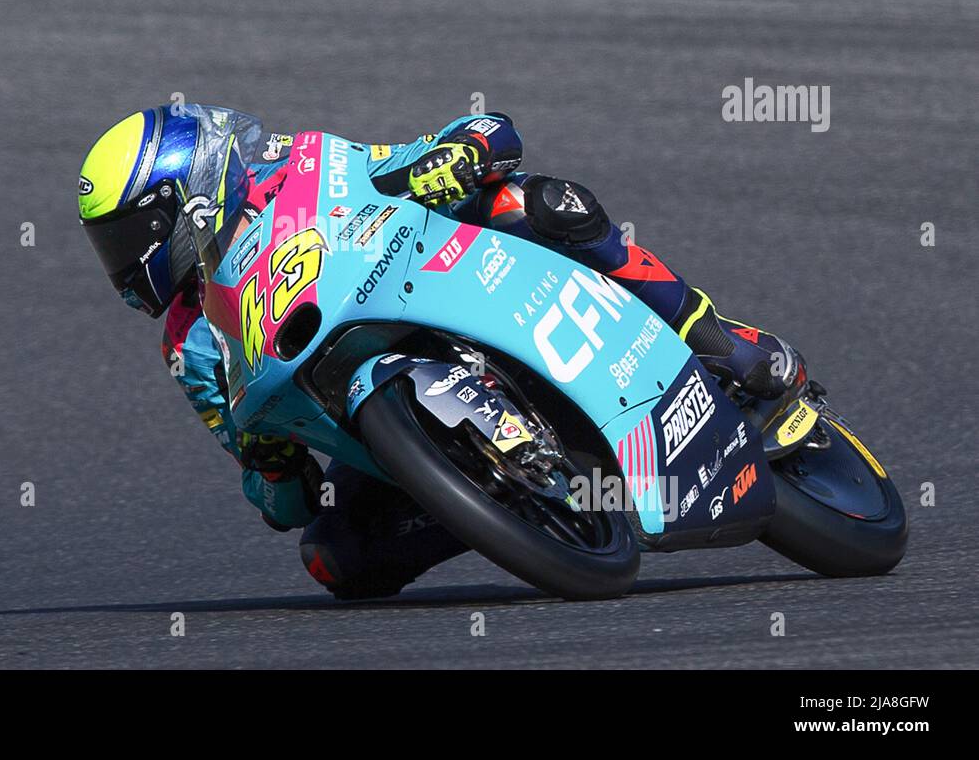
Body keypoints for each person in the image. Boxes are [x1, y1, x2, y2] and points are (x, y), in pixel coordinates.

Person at [78, 104, 799, 599]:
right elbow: (280, 499)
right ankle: (513, 504)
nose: (121, 260)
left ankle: (723, 343)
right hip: (375, 417)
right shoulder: (189, 346)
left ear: (188, 196)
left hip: (458, 288)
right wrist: (267, 462)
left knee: (532, 202)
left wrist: (454, 156)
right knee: (333, 558)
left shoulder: (301, 165)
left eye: (127, 233)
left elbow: (479, 135)